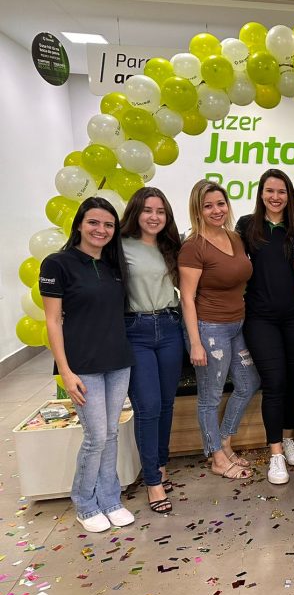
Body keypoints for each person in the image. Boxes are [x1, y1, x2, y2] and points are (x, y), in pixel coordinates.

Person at [40, 196, 136, 532]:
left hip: (118, 361)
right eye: (94, 222)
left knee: (110, 433)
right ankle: (84, 503)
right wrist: (65, 372)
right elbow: (53, 321)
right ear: (79, 224)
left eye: (108, 225)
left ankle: (110, 500)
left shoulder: (113, 266)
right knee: (95, 436)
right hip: (82, 365)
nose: (101, 230)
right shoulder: (58, 264)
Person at [179, 179, 260, 480]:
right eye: (208, 206)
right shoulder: (193, 247)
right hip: (209, 328)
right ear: (197, 210)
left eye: (220, 204)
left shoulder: (234, 237)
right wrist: (195, 343)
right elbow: (187, 298)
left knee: (249, 382)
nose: (216, 210)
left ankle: (224, 441)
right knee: (210, 396)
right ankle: (216, 457)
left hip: (237, 324)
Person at [237, 169, 294, 485]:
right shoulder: (247, 226)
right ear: (261, 194)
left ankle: (289, 437)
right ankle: (276, 453)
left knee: (293, 379)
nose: (275, 197)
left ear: (289, 195)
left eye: (282, 191)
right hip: (260, 319)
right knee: (275, 381)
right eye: (270, 191)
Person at [119, 187, 183, 514]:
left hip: (170, 326)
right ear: (136, 213)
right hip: (136, 330)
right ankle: (153, 482)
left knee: (167, 403)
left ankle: (159, 464)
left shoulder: (170, 246)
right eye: (147, 210)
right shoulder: (119, 246)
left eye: (160, 211)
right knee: (149, 406)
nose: (154, 217)